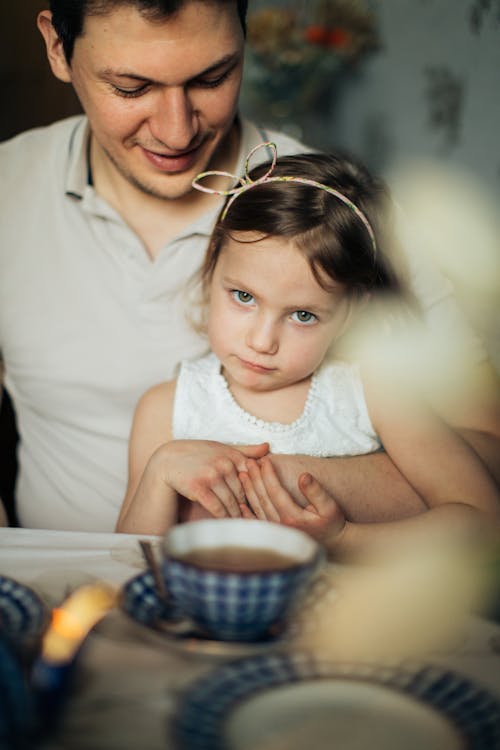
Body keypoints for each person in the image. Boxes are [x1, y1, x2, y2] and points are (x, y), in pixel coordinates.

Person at [0, 0, 498, 532]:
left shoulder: (344, 215)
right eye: (131, 87)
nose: (176, 132)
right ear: (57, 46)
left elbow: (488, 453)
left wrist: (274, 488)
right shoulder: (9, 187)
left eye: (213, 78)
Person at [116, 145, 500, 556]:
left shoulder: (375, 394)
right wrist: (160, 473)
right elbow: (127, 560)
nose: (262, 341)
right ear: (213, 266)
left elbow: (484, 522)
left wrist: (343, 538)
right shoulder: (166, 410)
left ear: (353, 312)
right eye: (243, 296)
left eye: (302, 315)